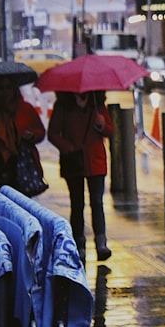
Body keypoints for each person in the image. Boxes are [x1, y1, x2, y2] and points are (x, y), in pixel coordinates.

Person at [47, 91, 114, 262]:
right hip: (74, 162)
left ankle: (101, 244)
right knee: (77, 204)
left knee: (97, 203)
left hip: (95, 161)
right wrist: (67, 147)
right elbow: (53, 133)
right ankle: (79, 245)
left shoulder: (97, 104)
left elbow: (110, 130)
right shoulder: (63, 106)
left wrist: (102, 125)